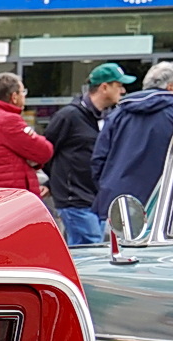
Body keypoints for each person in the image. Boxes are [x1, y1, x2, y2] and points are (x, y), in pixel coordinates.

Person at [45, 62, 135, 245]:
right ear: (104, 87)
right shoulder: (69, 116)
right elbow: (45, 151)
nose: (123, 91)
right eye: (119, 86)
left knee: (92, 248)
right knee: (91, 247)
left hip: (96, 199)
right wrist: (55, 182)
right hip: (74, 199)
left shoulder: (108, 117)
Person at [92, 60, 173, 220]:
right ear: (171, 87)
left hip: (118, 203)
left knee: (116, 245)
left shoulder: (118, 114)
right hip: (164, 205)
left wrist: (106, 188)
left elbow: (98, 159)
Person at [0, 72, 54, 193]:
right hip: (13, 196)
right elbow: (44, 151)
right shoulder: (9, 121)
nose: (24, 96)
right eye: (23, 92)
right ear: (14, 96)